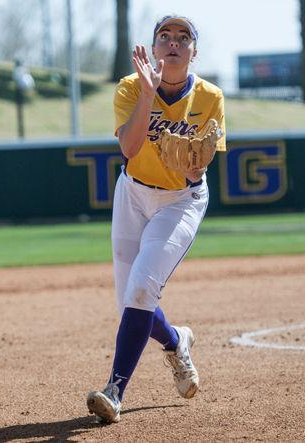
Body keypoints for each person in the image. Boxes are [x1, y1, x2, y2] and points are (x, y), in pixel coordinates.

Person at [86, 15, 226, 424]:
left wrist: (193, 167)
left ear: (193, 52)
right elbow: (130, 149)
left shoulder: (210, 97)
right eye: (165, 36)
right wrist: (148, 95)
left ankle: (114, 391)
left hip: (180, 200)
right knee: (130, 300)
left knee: (143, 289)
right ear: (153, 46)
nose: (173, 43)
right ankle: (177, 341)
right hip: (132, 195)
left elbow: (197, 171)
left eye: (183, 38)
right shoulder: (131, 87)